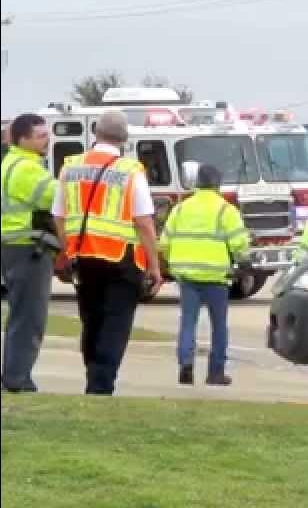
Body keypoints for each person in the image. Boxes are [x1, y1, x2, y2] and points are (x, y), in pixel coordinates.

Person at [52, 110, 164, 396]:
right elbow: (143, 221)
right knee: (116, 323)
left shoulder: (70, 166)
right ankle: (101, 386)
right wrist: (154, 265)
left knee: (91, 319)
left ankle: (94, 376)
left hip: (83, 259)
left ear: (96, 134)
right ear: (124, 139)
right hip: (120, 259)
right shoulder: (130, 170)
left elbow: (59, 216)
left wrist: (68, 250)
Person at [159, 164, 250, 386]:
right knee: (219, 326)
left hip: (187, 276)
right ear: (217, 184)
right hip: (216, 277)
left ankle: (186, 365)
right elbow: (239, 242)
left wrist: (171, 264)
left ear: (197, 183)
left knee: (188, 322)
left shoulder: (181, 208)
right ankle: (215, 372)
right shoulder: (225, 210)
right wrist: (243, 262)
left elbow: (164, 243)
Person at [1, 114, 58, 392]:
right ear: (22, 139)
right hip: (28, 247)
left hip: (13, 245)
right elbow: (58, 198)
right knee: (29, 317)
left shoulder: (12, 163)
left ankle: (15, 374)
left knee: (20, 315)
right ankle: (17, 379)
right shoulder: (26, 168)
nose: (47, 141)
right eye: (41, 136)